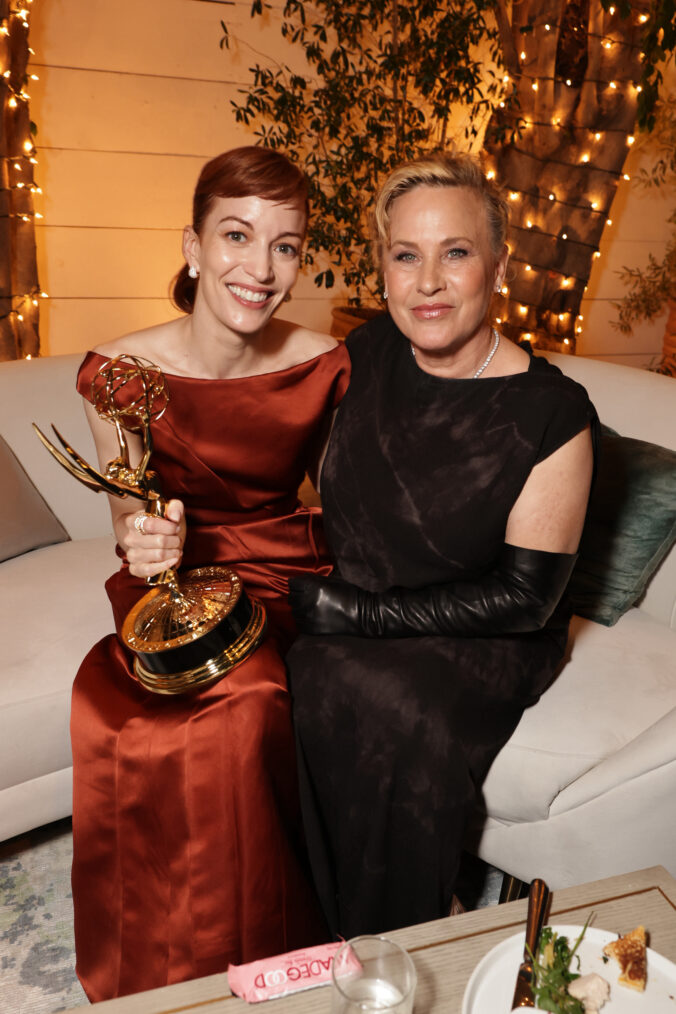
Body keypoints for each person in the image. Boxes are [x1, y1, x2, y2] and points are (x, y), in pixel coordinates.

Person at [286, 152, 597, 939]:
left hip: (480, 633)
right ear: (384, 270)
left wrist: (359, 614)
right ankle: (298, 930)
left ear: (497, 265)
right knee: (275, 675)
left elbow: (525, 599)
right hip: (355, 604)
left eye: (454, 253)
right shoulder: (361, 356)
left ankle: (408, 941)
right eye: (405, 255)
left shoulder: (552, 413)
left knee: (392, 707)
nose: (428, 282)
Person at [70, 146, 349, 1001]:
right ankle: (161, 968)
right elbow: (128, 513)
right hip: (174, 577)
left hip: (285, 563)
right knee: (127, 715)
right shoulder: (118, 373)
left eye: (287, 246)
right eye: (237, 235)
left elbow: (347, 499)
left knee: (253, 699)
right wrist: (144, 540)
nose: (260, 269)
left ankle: (264, 965)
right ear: (193, 248)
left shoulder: (328, 364)